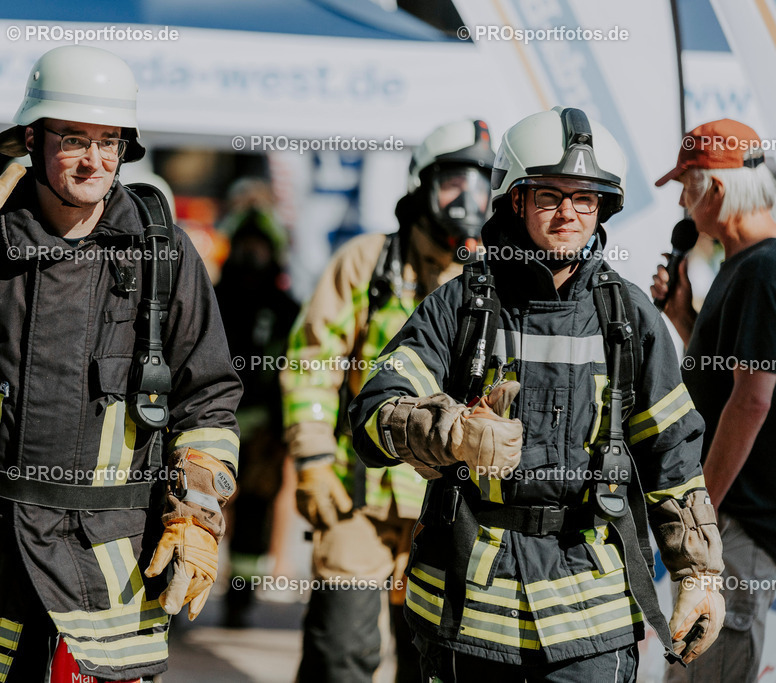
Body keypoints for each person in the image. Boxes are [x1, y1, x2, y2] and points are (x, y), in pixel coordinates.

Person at [0, 45, 241, 682]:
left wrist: (197, 511)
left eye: (109, 141)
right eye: (74, 139)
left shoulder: (162, 252)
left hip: (108, 561)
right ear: (32, 140)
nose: (95, 159)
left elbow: (207, 395)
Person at [349, 106, 726, 681]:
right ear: (515, 199)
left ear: (604, 208)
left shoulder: (627, 316)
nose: (568, 214)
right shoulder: (464, 305)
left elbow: (672, 452)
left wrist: (698, 573)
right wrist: (450, 431)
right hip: (469, 614)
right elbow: (375, 410)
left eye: (586, 199)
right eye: (550, 195)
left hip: (591, 620)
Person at [282, 120, 495, 682]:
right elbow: (312, 362)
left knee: (430, 661)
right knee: (342, 653)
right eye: (453, 180)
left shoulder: (495, 284)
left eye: (481, 182)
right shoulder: (367, 263)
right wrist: (312, 459)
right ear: (421, 184)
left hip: (450, 509)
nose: (468, 197)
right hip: (357, 495)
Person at [652, 119, 776, 683]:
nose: (681, 201)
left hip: (736, 522)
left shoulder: (763, 267)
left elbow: (751, 402)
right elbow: (730, 377)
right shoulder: (744, 264)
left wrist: (700, 511)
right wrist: (682, 315)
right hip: (728, 520)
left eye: (686, 186)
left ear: (717, 190)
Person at [214, 188, 299, 628]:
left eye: (258, 247)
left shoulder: (286, 310)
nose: (250, 255)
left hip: (264, 430)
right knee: (196, 503)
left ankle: (239, 599)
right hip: (211, 424)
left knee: (254, 517)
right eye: (244, 246)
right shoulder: (210, 299)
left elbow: (296, 372)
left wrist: (285, 429)